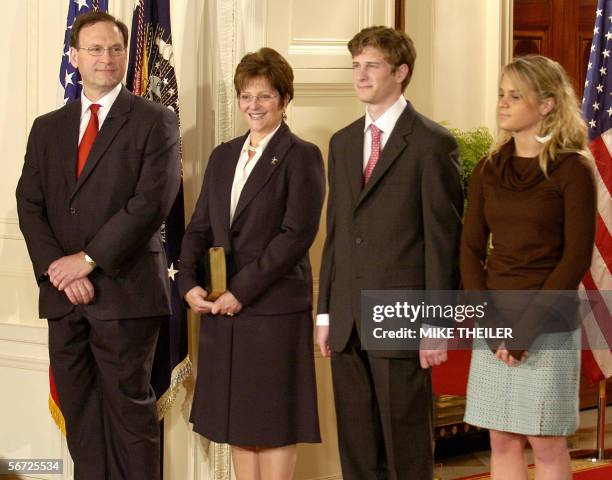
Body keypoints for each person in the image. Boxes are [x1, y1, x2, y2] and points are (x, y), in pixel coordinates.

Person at [15, 11, 181, 480]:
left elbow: (151, 204)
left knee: (131, 419)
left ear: (125, 55)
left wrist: (87, 262)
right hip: (63, 298)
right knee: (81, 417)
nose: (106, 58)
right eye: (94, 49)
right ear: (74, 56)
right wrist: (58, 270)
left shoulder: (155, 120)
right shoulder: (47, 127)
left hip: (125, 295)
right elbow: (30, 204)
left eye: (114, 49)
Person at [316, 26, 463, 479]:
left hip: (403, 318)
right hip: (346, 321)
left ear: (400, 72)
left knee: (405, 450)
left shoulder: (432, 143)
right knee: (357, 452)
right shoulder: (341, 143)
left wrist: (438, 322)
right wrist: (325, 314)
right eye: (356, 65)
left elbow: (443, 242)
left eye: (371, 65)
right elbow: (337, 232)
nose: (360, 74)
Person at [178, 47, 324, 480]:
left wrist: (240, 291)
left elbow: (296, 235)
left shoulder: (302, 155)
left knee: (274, 425)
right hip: (223, 311)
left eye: (264, 96)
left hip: (272, 310)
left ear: (283, 99)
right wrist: (187, 282)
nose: (254, 106)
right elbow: (200, 225)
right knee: (240, 424)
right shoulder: (224, 156)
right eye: (246, 96)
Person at [461, 54, 597, 480]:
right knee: (501, 436)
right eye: (501, 94)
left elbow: (574, 256)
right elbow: (468, 249)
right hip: (494, 318)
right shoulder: (487, 169)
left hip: (547, 323)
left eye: (515, 96)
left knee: (546, 439)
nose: (502, 104)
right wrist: (489, 320)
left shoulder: (573, 169)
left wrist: (523, 331)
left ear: (547, 105)